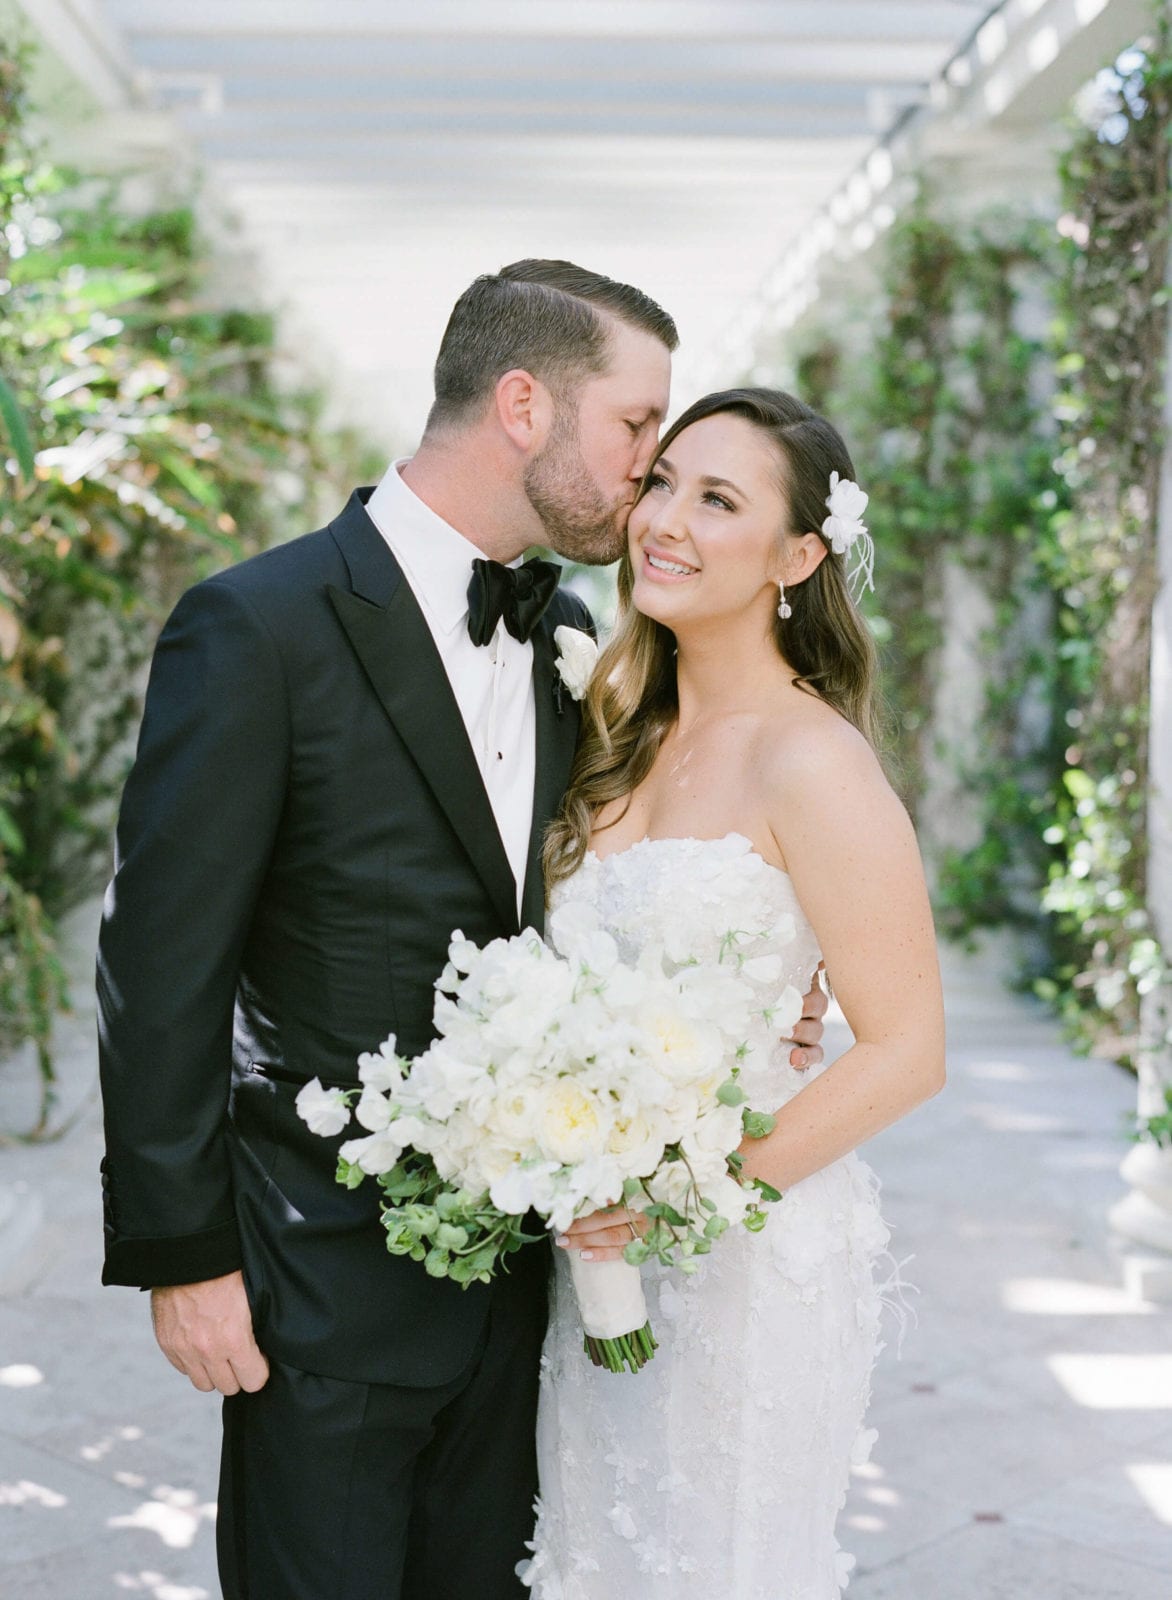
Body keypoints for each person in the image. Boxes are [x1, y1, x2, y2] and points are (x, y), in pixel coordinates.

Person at [96, 265, 829, 1600]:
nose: (649, 474)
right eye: (634, 429)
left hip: (529, 1296)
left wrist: (748, 1001)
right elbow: (159, 968)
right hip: (318, 1287)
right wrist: (182, 1255)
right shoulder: (255, 627)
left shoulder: (576, 640)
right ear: (521, 405)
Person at [527, 388, 947, 1598]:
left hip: (746, 1253)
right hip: (595, 1248)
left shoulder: (809, 757)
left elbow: (907, 1046)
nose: (665, 519)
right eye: (659, 482)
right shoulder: (609, 726)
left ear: (797, 555)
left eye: (718, 500)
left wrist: (673, 1199)